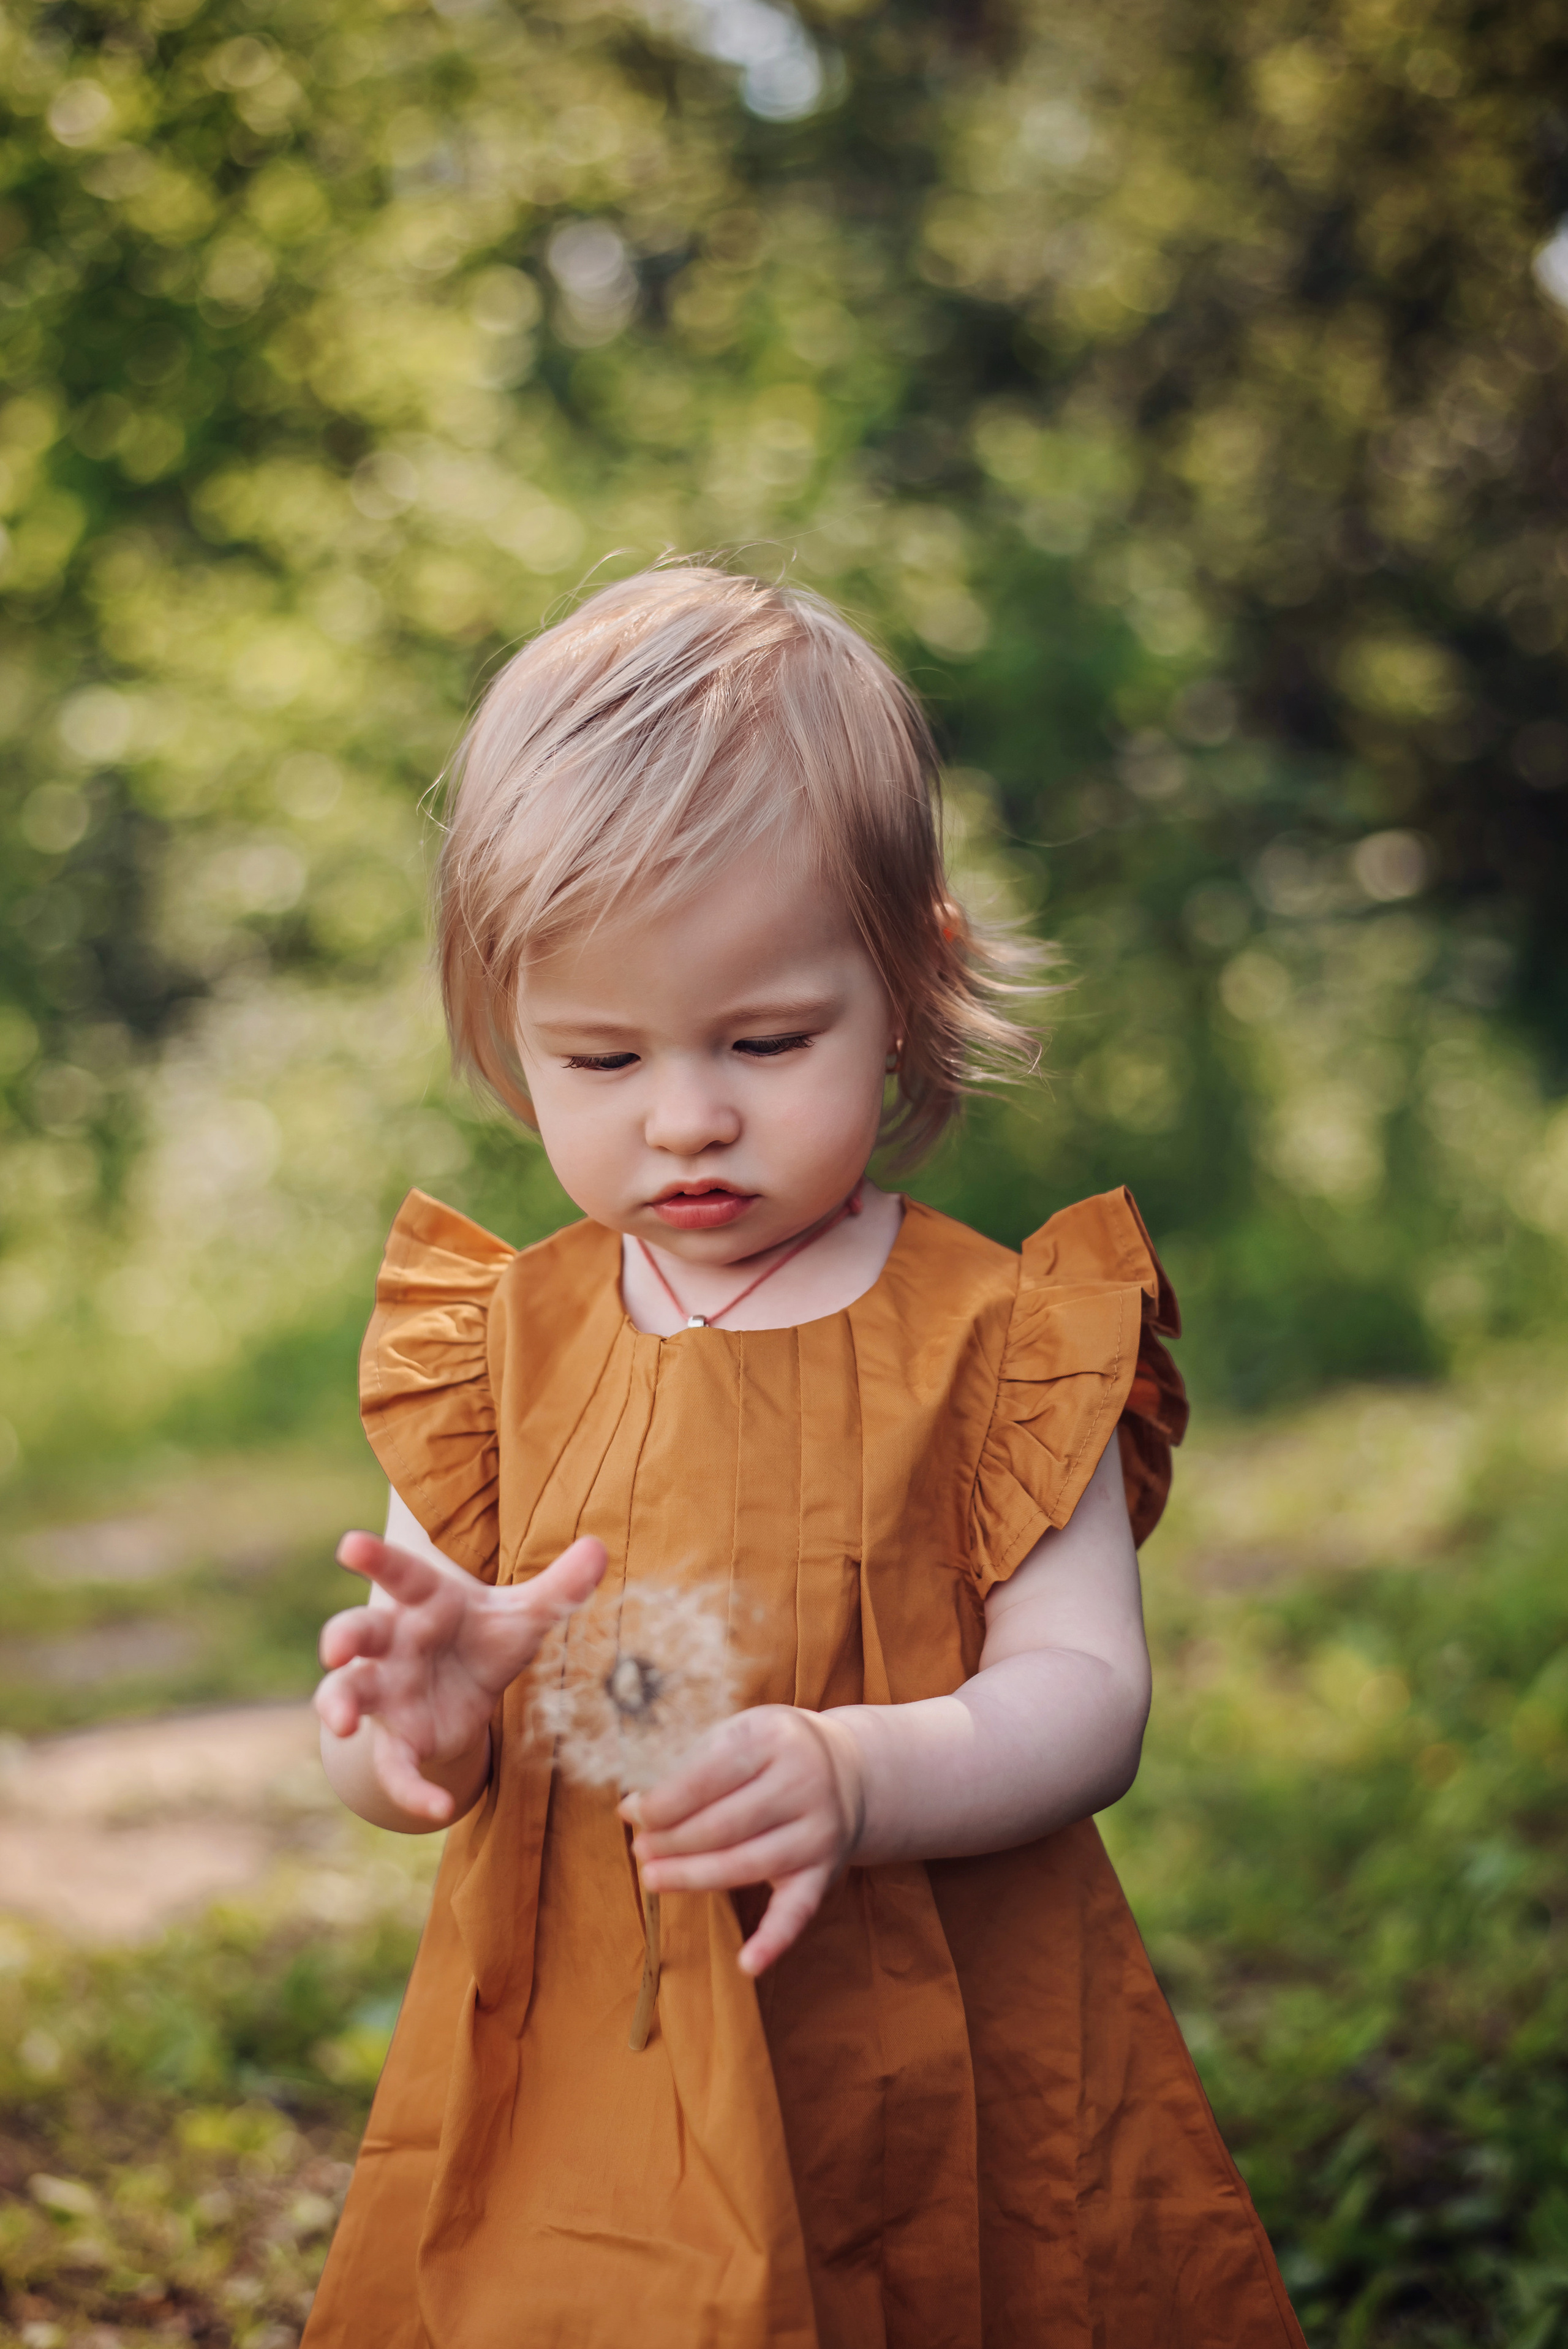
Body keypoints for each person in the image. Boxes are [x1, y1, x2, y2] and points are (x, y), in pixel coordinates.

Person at [303, 565, 1306, 2349]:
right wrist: (422, 1735)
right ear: (506, 1027)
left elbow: (1090, 1696)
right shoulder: (493, 1348)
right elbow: (394, 1773)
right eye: (600, 1055)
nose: (688, 1113)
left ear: (909, 978)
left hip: (928, 2046)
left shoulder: (1004, 1338)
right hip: (586, 2072)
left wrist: (858, 1771)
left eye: (768, 1040)